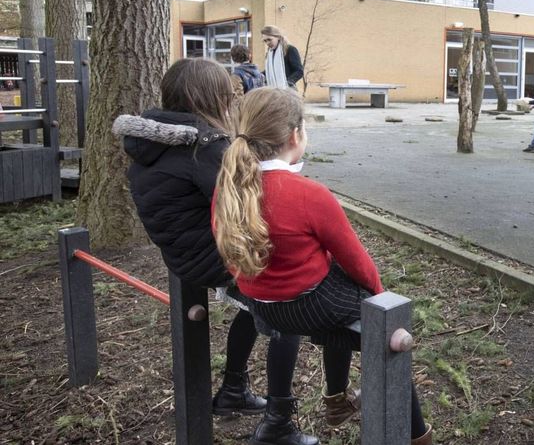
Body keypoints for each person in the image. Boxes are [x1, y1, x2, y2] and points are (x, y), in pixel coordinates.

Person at [212, 88, 433, 445]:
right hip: (311, 305)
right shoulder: (307, 193)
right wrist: (380, 298)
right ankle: (417, 434)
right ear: (295, 135)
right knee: (381, 320)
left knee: (344, 294)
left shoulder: (229, 189)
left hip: (263, 308)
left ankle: (337, 401)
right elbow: (357, 261)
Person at [112, 59, 311, 444]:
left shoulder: (153, 140)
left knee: (255, 304)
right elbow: (257, 204)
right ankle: (278, 423)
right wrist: (286, 169)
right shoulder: (204, 147)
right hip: (214, 256)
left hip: (183, 254)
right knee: (287, 304)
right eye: (227, 94)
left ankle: (234, 389)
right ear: (212, 97)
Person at [261, 25, 304, 89]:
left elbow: (299, 71)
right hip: (273, 91)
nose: (267, 43)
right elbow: (269, 71)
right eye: (265, 41)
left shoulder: (290, 49)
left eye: (269, 39)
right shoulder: (269, 53)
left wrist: (287, 83)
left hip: (288, 91)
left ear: (278, 37)